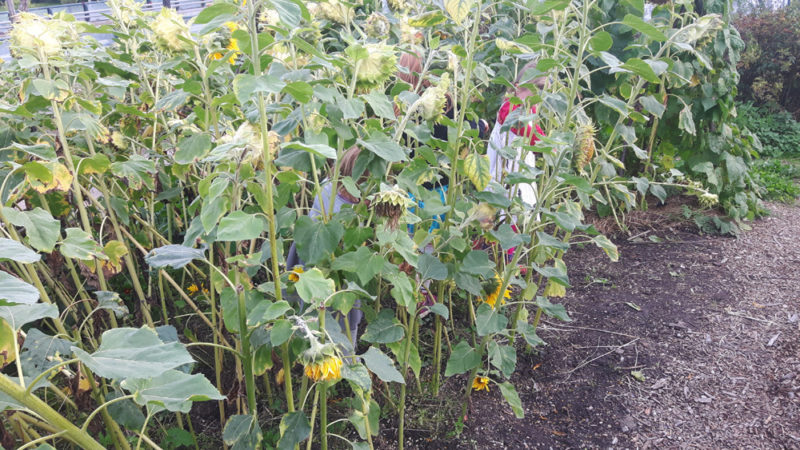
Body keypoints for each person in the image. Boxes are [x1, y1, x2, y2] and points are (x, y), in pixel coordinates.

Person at [285, 146, 364, 355]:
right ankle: (326, 353)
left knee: (343, 312)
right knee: (321, 310)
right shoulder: (333, 197)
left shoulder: (337, 189)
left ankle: (342, 355)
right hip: (319, 260)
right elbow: (329, 238)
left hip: (335, 262)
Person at [487, 60, 547, 207]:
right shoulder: (509, 107)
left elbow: (535, 129)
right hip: (503, 169)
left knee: (522, 204)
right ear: (518, 89)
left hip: (520, 168)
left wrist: (544, 140)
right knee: (503, 204)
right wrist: (545, 145)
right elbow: (524, 129)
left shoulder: (529, 109)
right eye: (537, 89)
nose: (538, 98)